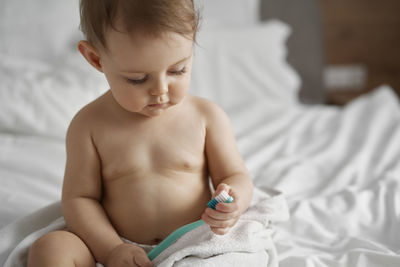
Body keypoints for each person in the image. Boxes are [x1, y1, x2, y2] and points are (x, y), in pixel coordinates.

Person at [27, 0, 253, 266]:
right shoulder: (89, 125)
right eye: (137, 78)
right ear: (95, 58)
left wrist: (233, 201)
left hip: (194, 243)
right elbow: (80, 199)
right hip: (112, 243)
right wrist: (111, 249)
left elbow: (235, 175)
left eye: (177, 70)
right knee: (50, 249)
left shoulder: (206, 117)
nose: (160, 90)